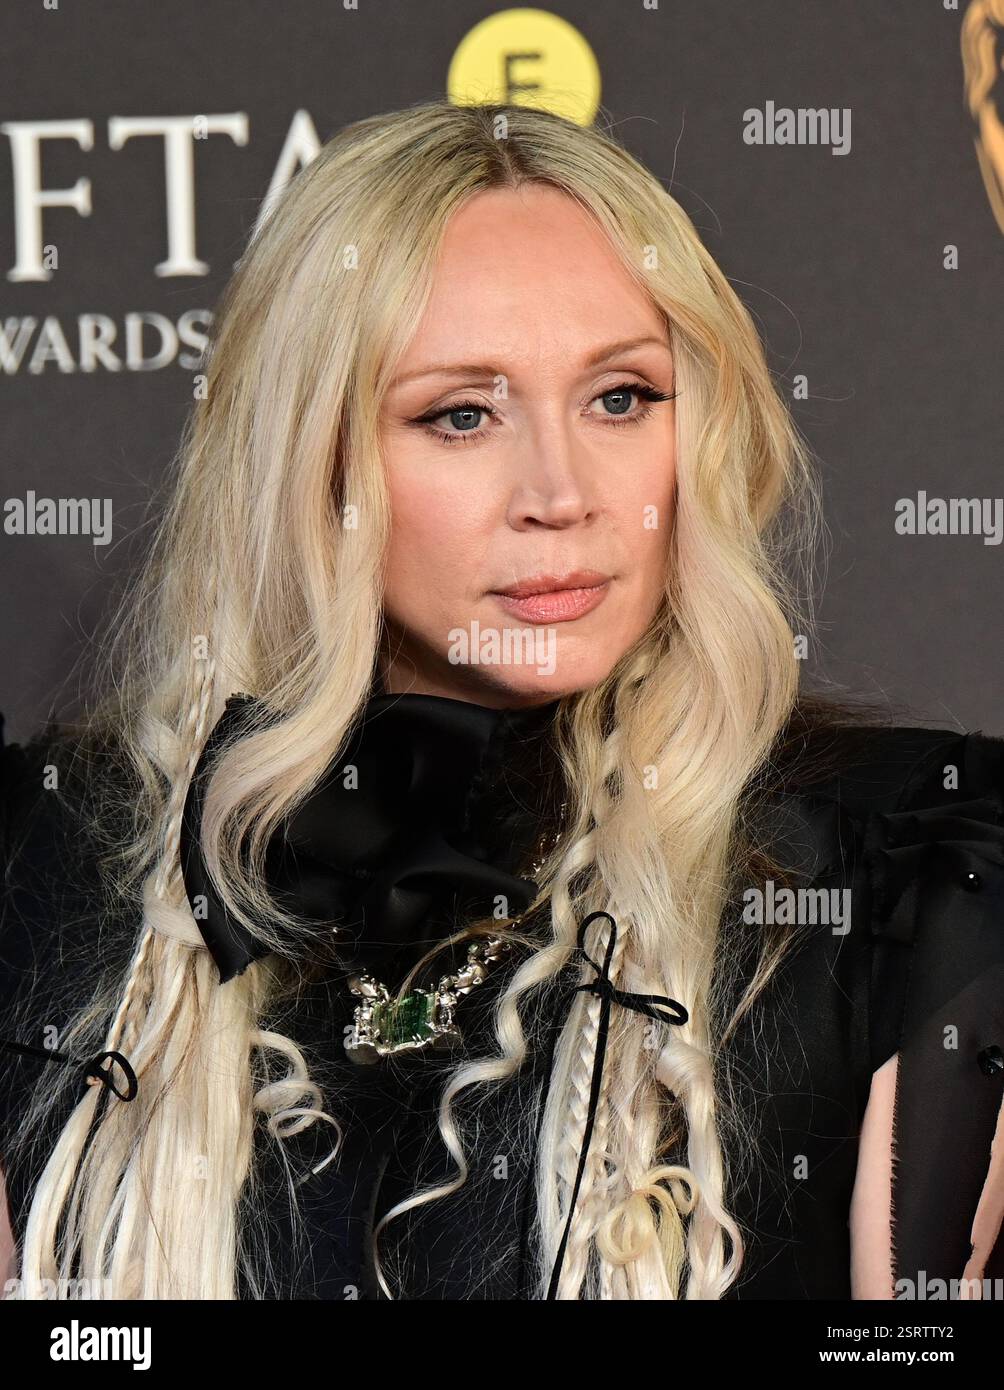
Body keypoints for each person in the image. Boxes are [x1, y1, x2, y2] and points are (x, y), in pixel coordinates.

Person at [1, 99, 1002, 1303]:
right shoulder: (63, 871)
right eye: (461, 415)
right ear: (313, 461)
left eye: (620, 397)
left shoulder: (901, 878)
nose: (559, 492)